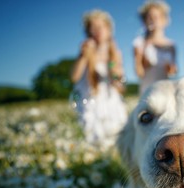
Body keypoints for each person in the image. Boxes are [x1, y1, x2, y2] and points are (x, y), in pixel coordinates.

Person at [70, 9, 128, 148]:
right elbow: (74, 77)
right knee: (91, 140)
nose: (97, 30)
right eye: (93, 28)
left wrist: (115, 72)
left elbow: (120, 84)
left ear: (109, 30)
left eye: (101, 26)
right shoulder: (86, 51)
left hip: (110, 101)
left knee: (115, 137)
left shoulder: (114, 53)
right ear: (88, 32)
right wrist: (83, 55)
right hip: (91, 100)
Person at [133, 0, 177, 95]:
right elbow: (139, 72)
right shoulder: (139, 42)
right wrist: (143, 60)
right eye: (149, 17)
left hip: (165, 89)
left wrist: (170, 69)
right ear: (144, 21)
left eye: (156, 16)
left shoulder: (171, 45)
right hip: (147, 89)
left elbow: (173, 72)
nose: (153, 20)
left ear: (164, 20)